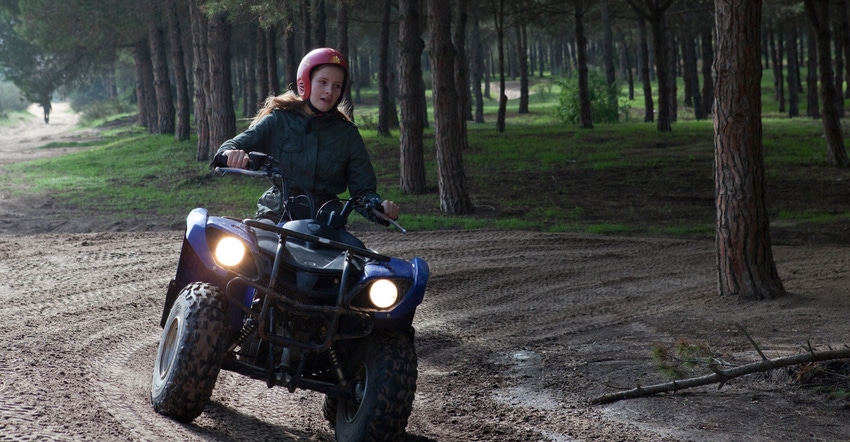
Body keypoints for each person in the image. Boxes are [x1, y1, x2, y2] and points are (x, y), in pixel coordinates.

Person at [212, 47, 399, 247]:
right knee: (251, 253)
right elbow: (232, 145)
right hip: (276, 216)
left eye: (337, 86)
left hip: (325, 224)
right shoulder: (278, 120)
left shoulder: (347, 134)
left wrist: (380, 208)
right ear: (305, 83)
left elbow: (363, 191)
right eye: (323, 82)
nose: (329, 91)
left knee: (356, 263)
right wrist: (230, 154)